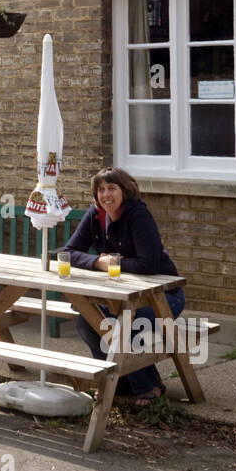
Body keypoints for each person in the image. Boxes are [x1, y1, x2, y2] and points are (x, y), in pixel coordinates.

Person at [60, 166, 183, 408]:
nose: (106, 195)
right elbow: (68, 252)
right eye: (101, 190)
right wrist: (97, 261)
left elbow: (149, 263)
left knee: (125, 325)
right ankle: (120, 380)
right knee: (87, 320)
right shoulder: (96, 214)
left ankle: (149, 386)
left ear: (125, 191)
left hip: (165, 297)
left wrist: (114, 263)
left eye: (111, 188)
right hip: (121, 297)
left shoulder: (138, 215)